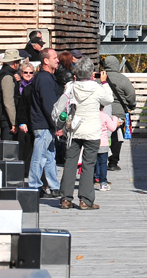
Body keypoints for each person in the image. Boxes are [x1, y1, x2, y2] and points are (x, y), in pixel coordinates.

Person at [58, 57, 113, 210]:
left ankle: (66, 198)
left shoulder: (71, 86)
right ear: (91, 73)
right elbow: (109, 99)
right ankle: (85, 200)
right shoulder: (97, 88)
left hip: (73, 130)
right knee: (88, 164)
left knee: (70, 163)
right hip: (92, 131)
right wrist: (104, 82)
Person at [27, 48, 62, 198]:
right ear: (46, 61)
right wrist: (57, 125)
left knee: (49, 156)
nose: (58, 60)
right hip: (43, 124)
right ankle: (34, 186)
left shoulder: (45, 78)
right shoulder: (44, 79)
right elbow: (49, 106)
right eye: (54, 58)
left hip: (46, 124)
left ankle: (54, 186)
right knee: (39, 156)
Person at [101, 56, 137, 172]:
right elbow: (131, 94)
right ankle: (113, 163)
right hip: (118, 113)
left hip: (101, 113)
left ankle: (100, 162)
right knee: (117, 138)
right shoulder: (122, 79)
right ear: (117, 65)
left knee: (101, 136)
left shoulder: (99, 78)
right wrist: (131, 106)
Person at [0, 49, 21, 143]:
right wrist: (14, 122)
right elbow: (8, 101)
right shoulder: (7, 77)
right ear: (14, 63)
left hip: (3, 115)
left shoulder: (0, 73)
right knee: (8, 148)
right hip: (6, 118)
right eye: (18, 62)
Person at [13, 59, 36, 164]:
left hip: (30, 118)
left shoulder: (35, 85)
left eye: (31, 72)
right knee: (22, 144)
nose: (28, 74)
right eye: (26, 72)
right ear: (21, 73)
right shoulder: (18, 85)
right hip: (20, 117)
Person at [96, 109, 122, 191]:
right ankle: (103, 183)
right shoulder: (105, 116)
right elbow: (113, 128)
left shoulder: (92, 115)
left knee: (95, 162)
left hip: (93, 142)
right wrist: (114, 118)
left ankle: (96, 177)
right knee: (103, 163)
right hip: (103, 143)